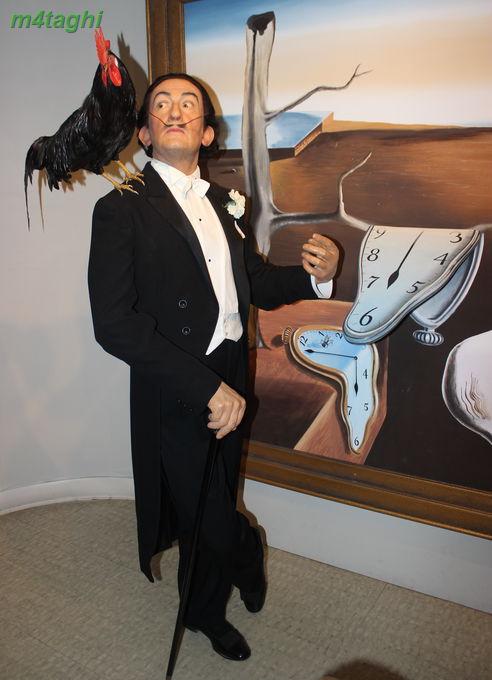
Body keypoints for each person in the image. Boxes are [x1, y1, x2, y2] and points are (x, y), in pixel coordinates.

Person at [88, 73, 339, 662]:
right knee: (207, 514)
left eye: (189, 103)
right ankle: (237, 570)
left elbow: (254, 281)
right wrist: (206, 388)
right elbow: (115, 324)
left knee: (216, 493)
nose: (176, 110)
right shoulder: (120, 208)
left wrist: (317, 277)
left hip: (231, 365)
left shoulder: (224, 204)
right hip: (177, 378)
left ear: (205, 133)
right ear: (146, 133)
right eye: (162, 104)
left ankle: (218, 585)